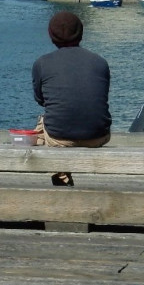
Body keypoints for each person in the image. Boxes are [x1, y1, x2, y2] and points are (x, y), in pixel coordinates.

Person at [31, 11, 111, 187]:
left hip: (59, 137)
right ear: (81, 33)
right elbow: (101, 96)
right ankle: (62, 175)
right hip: (99, 135)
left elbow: (40, 99)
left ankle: (61, 176)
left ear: (51, 36)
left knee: (43, 124)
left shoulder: (42, 63)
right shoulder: (100, 62)